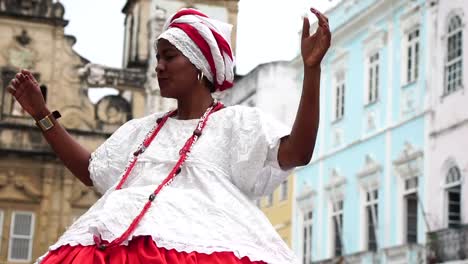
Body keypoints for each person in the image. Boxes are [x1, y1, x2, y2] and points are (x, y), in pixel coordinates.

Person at [7, 7, 330, 264]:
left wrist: (311, 71)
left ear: (201, 64)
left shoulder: (236, 125)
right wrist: (42, 115)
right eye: (158, 57)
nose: (159, 66)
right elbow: (91, 171)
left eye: (169, 56)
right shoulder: (140, 131)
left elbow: (298, 153)